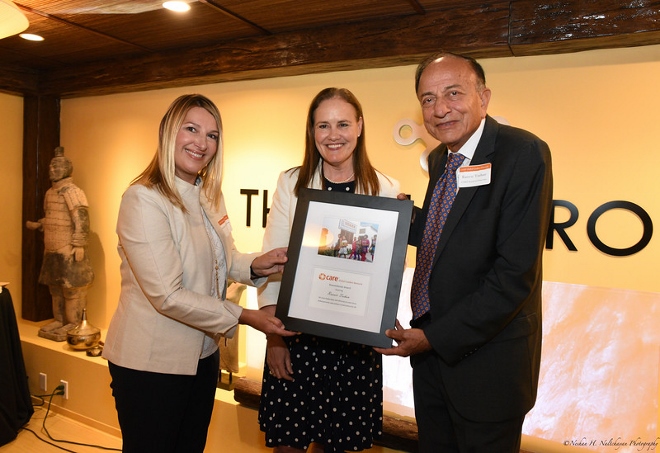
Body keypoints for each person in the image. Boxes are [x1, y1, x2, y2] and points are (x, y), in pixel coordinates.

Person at [375, 53, 553, 452]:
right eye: (427, 99)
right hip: (432, 362)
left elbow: (513, 275)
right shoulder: (442, 158)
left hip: (487, 367)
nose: (440, 109)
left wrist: (433, 338)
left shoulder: (522, 153)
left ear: (484, 96)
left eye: (453, 93)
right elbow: (449, 236)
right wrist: (400, 216)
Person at [102, 94, 296, 453]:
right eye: (191, 129)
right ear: (168, 132)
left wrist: (256, 264)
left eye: (212, 135)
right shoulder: (143, 199)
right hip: (151, 364)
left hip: (203, 355)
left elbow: (223, 258)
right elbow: (167, 295)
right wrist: (246, 316)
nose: (201, 143)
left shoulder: (208, 193)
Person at [258, 87, 400, 453]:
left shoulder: (385, 188)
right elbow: (273, 262)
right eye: (323, 125)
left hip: (354, 346)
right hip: (296, 337)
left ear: (360, 126)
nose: (333, 134)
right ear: (312, 131)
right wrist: (274, 338)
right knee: (287, 444)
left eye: (342, 124)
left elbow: (382, 273)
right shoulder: (290, 183)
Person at [26, 146, 94, 342]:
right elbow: (54, 218)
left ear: (66, 169)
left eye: (56, 167)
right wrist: (40, 224)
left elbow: (81, 218)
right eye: (50, 166)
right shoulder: (50, 192)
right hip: (52, 247)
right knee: (54, 288)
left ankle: (73, 323)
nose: (52, 170)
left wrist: (79, 244)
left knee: (71, 289)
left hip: (67, 248)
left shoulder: (73, 191)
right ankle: (59, 320)